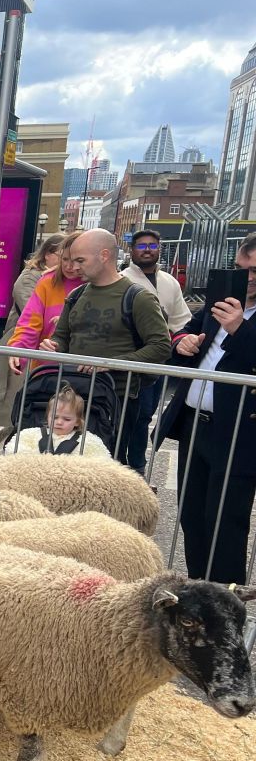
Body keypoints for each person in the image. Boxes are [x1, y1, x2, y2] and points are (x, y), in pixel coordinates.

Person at [155, 232, 256, 584]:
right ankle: (200, 594)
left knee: (225, 524)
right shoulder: (219, 303)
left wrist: (241, 330)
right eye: (244, 268)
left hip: (239, 434)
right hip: (197, 426)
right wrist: (183, 343)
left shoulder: (239, 317)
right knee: (192, 516)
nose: (249, 278)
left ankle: (225, 603)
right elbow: (181, 334)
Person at [39, 229, 171, 462]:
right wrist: (52, 345)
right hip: (75, 394)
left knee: (109, 462)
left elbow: (161, 346)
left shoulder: (138, 297)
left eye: (81, 260)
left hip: (118, 397)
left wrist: (110, 364)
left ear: (104, 255)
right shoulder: (78, 294)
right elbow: (62, 337)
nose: (75, 267)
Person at [119, 228, 193, 475]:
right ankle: (124, 464)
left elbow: (182, 320)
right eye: (142, 246)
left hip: (159, 359)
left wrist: (182, 340)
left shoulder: (169, 282)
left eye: (153, 245)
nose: (148, 250)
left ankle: (137, 465)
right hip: (131, 356)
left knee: (146, 414)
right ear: (132, 250)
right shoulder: (123, 279)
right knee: (129, 416)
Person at [0, 233, 64, 427]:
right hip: (22, 341)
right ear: (48, 254)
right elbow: (33, 313)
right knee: (10, 397)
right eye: (61, 255)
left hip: (44, 348)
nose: (65, 261)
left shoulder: (61, 280)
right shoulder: (30, 278)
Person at [7, 231, 86, 377]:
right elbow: (30, 322)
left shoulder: (97, 284)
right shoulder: (47, 281)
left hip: (85, 372)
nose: (69, 266)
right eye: (65, 259)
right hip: (46, 370)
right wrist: (19, 351)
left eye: (77, 261)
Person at [7, 383, 112, 458]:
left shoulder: (88, 441)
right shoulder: (31, 434)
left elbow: (102, 459)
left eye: (66, 419)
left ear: (77, 421)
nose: (59, 422)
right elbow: (13, 449)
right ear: (47, 416)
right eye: (55, 417)